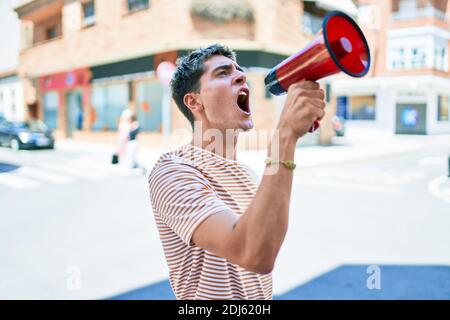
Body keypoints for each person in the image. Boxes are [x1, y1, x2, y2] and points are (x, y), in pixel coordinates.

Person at [148, 44, 326, 300]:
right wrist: (285, 135)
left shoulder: (247, 175)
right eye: (222, 73)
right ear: (194, 101)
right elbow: (253, 254)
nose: (241, 76)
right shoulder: (173, 171)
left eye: (239, 71)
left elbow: (266, 247)